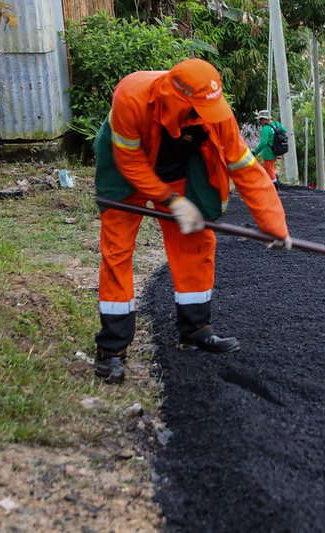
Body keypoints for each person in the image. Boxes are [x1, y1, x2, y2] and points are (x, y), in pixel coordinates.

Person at [93, 58, 291, 384]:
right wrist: (172, 202)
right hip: (124, 169)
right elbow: (130, 162)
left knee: (196, 239)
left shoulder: (216, 111)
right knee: (117, 249)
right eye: (196, 108)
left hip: (174, 166)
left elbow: (244, 167)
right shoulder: (131, 96)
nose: (205, 115)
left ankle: (195, 328)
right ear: (174, 96)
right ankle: (112, 348)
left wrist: (275, 225)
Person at [253, 110, 286, 189]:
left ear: (264, 119)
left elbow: (263, 143)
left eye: (260, 119)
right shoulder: (277, 124)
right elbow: (284, 130)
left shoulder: (266, 129)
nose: (260, 121)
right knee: (272, 167)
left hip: (268, 152)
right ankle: (273, 182)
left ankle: (274, 186)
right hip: (276, 150)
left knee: (269, 169)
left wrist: (255, 152)